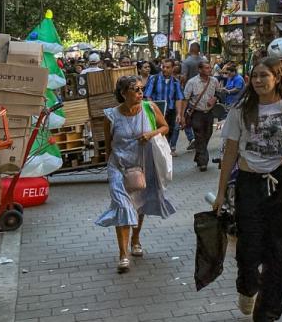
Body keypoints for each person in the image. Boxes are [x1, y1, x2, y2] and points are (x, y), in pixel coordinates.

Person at [211, 58, 282, 322]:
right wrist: (221, 192)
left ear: (277, 77)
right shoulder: (241, 110)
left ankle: (267, 314)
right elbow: (231, 152)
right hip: (249, 183)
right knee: (248, 248)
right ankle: (247, 287)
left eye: (263, 76)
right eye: (254, 76)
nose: (258, 81)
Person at [95, 76, 175, 273]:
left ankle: (136, 239)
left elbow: (165, 127)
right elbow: (108, 143)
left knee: (139, 205)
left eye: (141, 89)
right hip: (119, 167)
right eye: (135, 89)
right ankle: (123, 254)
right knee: (122, 206)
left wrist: (151, 134)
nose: (140, 93)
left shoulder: (149, 108)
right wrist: (110, 166)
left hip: (143, 165)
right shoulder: (111, 116)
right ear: (123, 93)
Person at [182, 60, 223, 172]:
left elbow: (219, 93)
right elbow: (185, 99)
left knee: (207, 134)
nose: (209, 70)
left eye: (209, 68)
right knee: (199, 135)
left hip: (209, 113)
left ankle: (198, 156)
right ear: (200, 70)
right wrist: (181, 115)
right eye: (206, 68)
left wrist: (215, 98)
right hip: (196, 113)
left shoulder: (214, 81)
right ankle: (203, 162)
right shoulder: (192, 82)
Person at [143, 58, 187, 156]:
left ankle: (170, 148)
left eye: (168, 67)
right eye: (163, 67)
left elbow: (179, 98)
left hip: (171, 110)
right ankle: (161, 150)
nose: (165, 69)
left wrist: (179, 114)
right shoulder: (153, 79)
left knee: (173, 129)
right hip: (158, 111)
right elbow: (147, 96)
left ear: (172, 69)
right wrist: (153, 109)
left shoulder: (176, 81)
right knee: (159, 132)